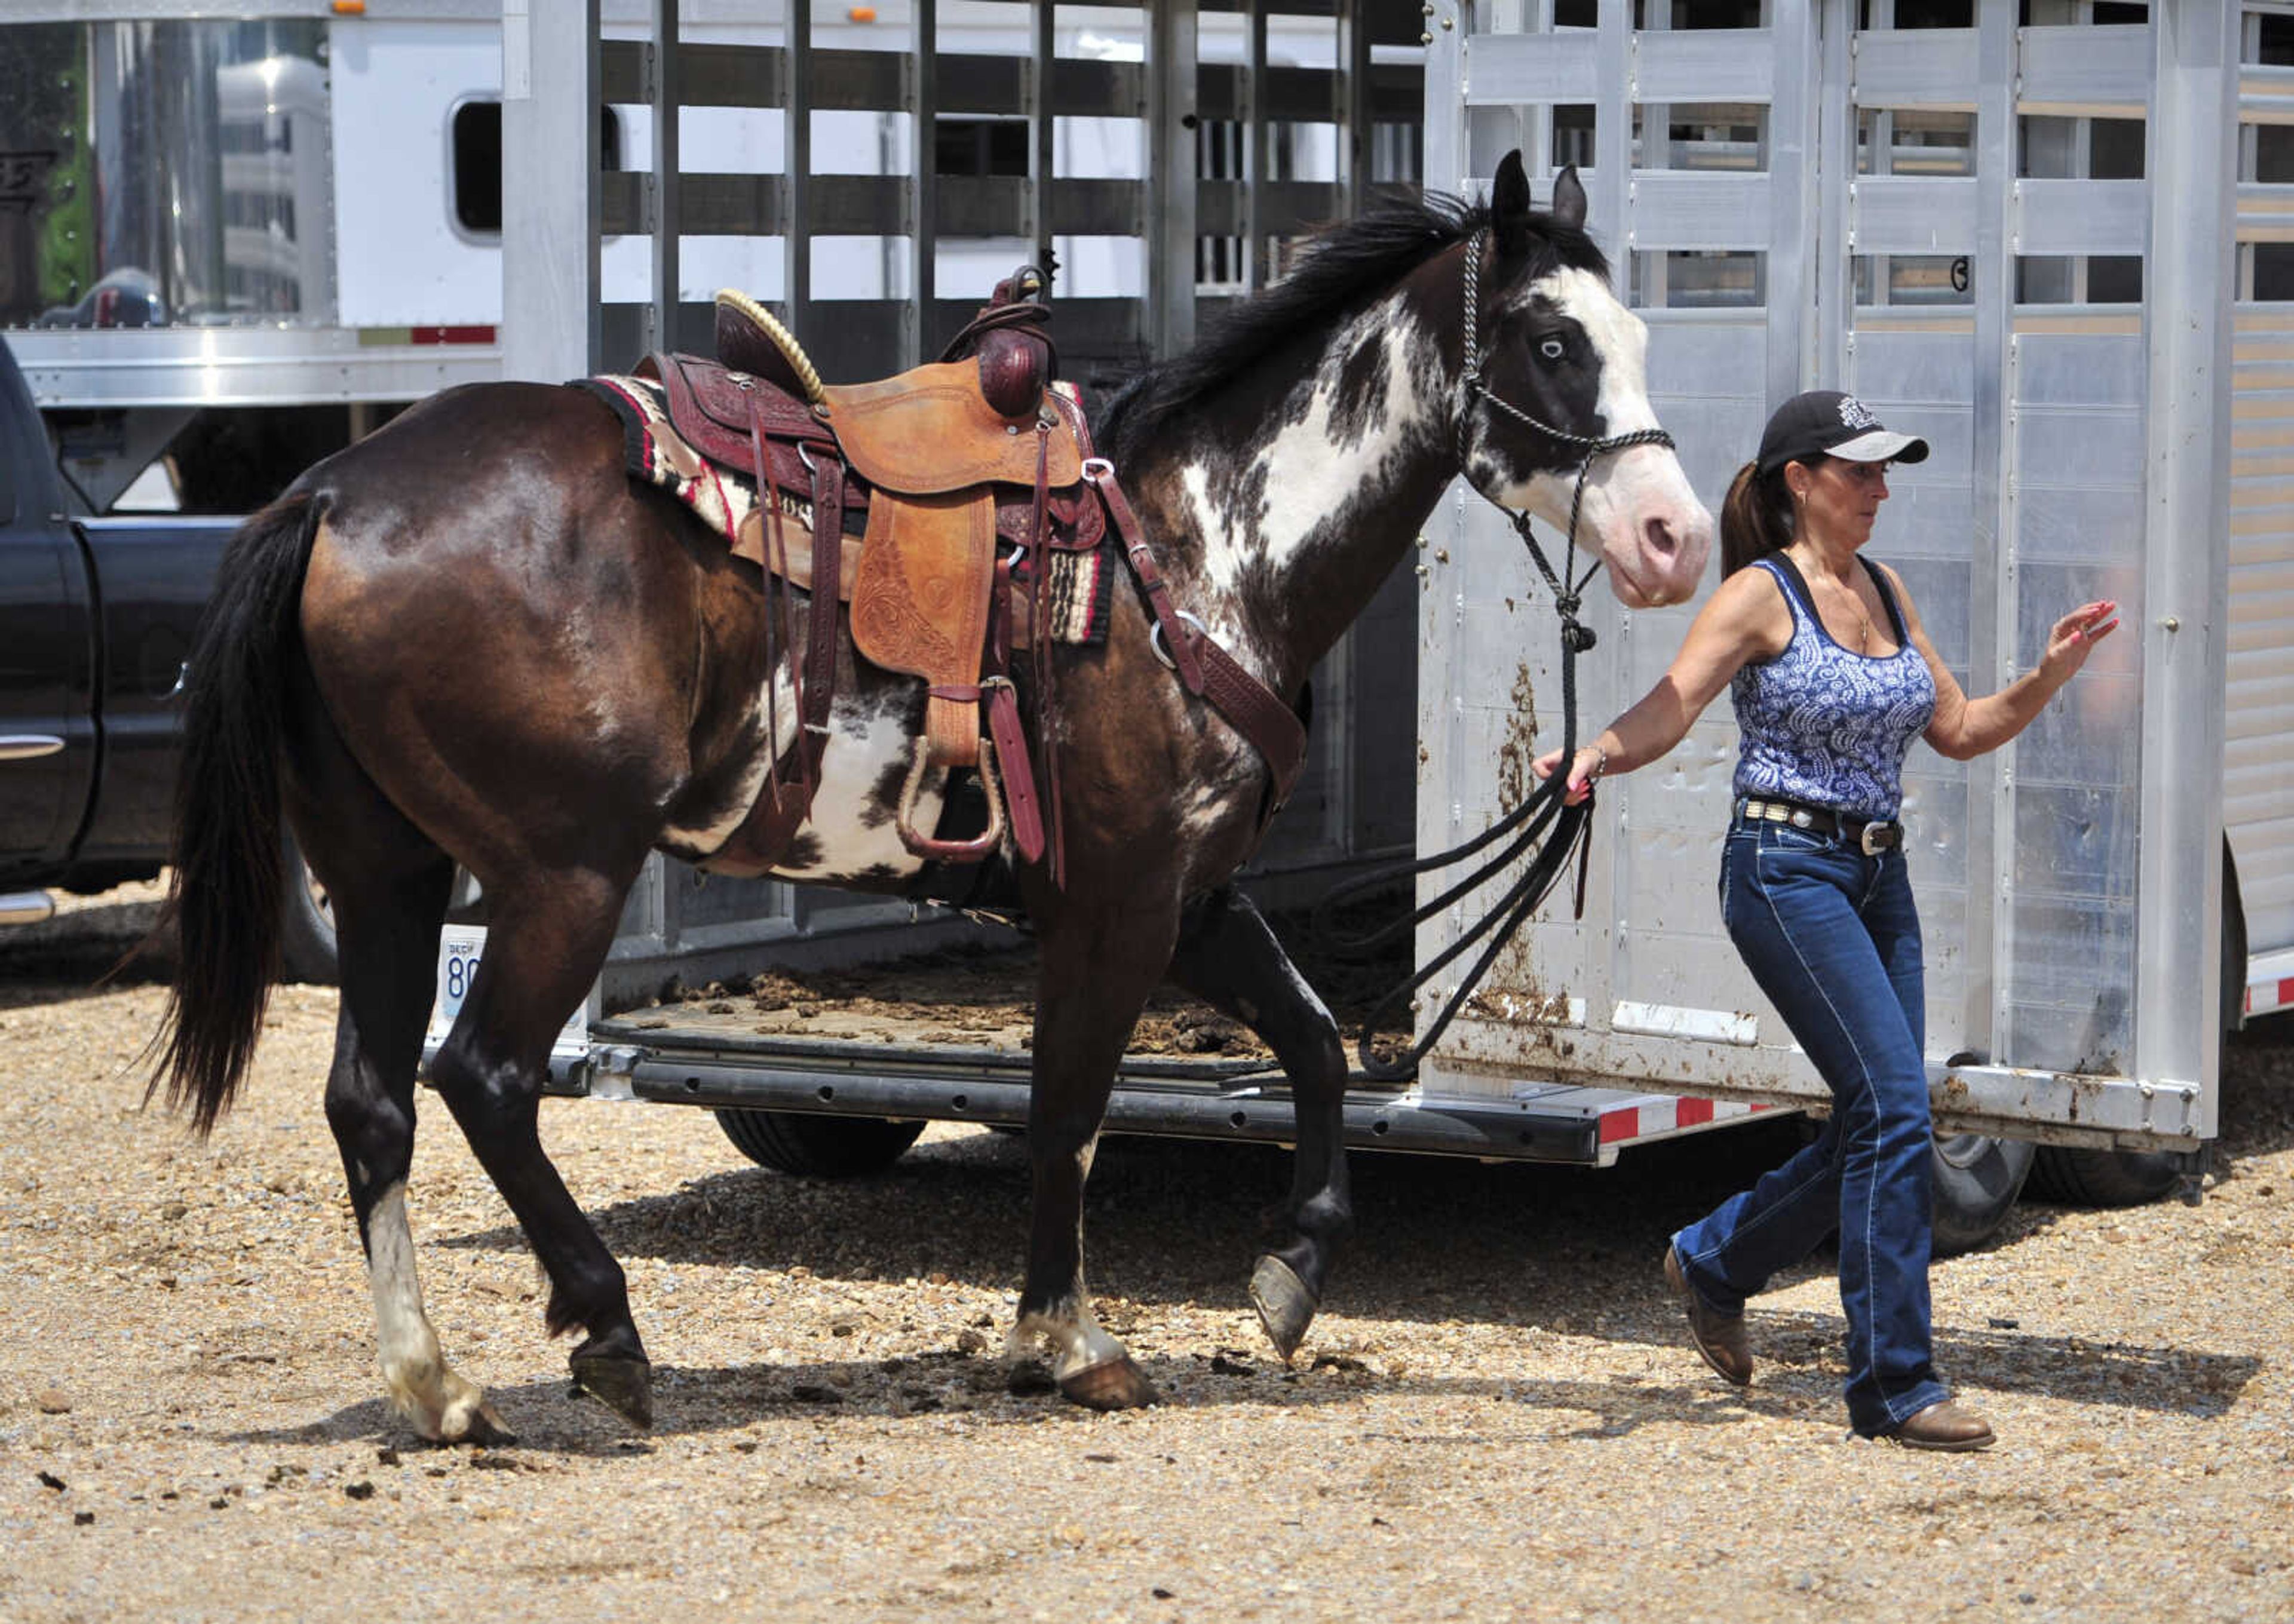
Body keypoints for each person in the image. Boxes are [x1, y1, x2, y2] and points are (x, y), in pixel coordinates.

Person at [1532, 389, 2119, 1451]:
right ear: (1800, 482)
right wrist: (1596, 756)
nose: (1881, 490)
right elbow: (1674, 702)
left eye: (1888, 472)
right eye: (1862, 472)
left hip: (1876, 880)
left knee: (1872, 1119)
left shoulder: (1885, 590)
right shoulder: (1764, 595)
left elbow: (1959, 727)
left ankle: (1715, 1260)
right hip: (1784, 871)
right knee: (1898, 1110)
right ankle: (1896, 1384)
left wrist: (2048, 675)